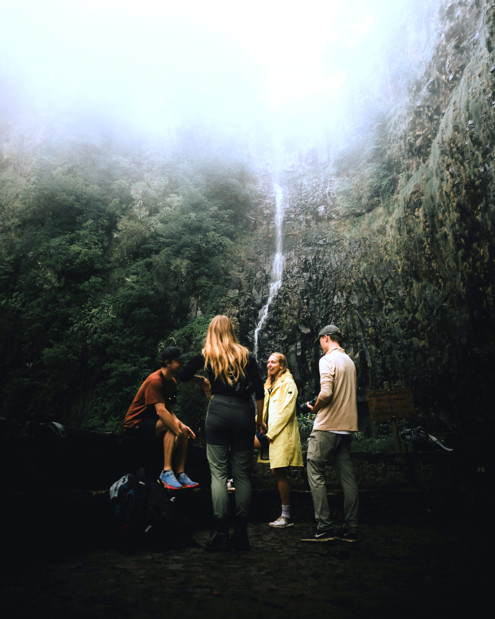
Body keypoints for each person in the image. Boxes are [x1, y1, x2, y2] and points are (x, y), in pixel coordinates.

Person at [180, 315, 264, 552]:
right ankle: (241, 534)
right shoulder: (245, 355)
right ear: (231, 330)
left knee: (218, 474)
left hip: (217, 411)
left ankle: (220, 532)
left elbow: (183, 375)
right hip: (244, 413)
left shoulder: (207, 354)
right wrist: (260, 419)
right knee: (242, 475)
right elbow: (259, 389)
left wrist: (203, 381)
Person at [301, 325, 359, 543]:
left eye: (321, 342)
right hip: (346, 427)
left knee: (314, 468)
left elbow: (326, 393)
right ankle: (351, 529)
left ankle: (324, 527)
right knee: (348, 477)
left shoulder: (327, 360)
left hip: (327, 426)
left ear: (325, 338)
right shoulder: (349, 362)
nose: (321, 346)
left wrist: (311, 407)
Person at [123, 346, 208, 490]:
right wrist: (177, 430)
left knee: (179, 428)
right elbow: (161, 412)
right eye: (178, 361)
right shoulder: (155, 381)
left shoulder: (172, 382)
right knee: (172, 427)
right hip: (136, 424)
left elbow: (169, 411)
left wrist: (182, 426)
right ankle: (167, 471)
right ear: (167, 362)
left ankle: (180, 473)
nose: (182, 363)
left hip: (155, 422)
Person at [255, 352, 303, 528]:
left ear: (282, 365)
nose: (269, 364)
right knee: (242, 441)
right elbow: (266, 409)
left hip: (279, 433)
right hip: (268, 430)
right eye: (267, 362)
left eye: (273, 362)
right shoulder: (270, 383)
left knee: (278, 472)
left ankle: (286, 516)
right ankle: (234, 479)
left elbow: (286, 411)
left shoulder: (288, 383)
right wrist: (257, 421)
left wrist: (270, 433)